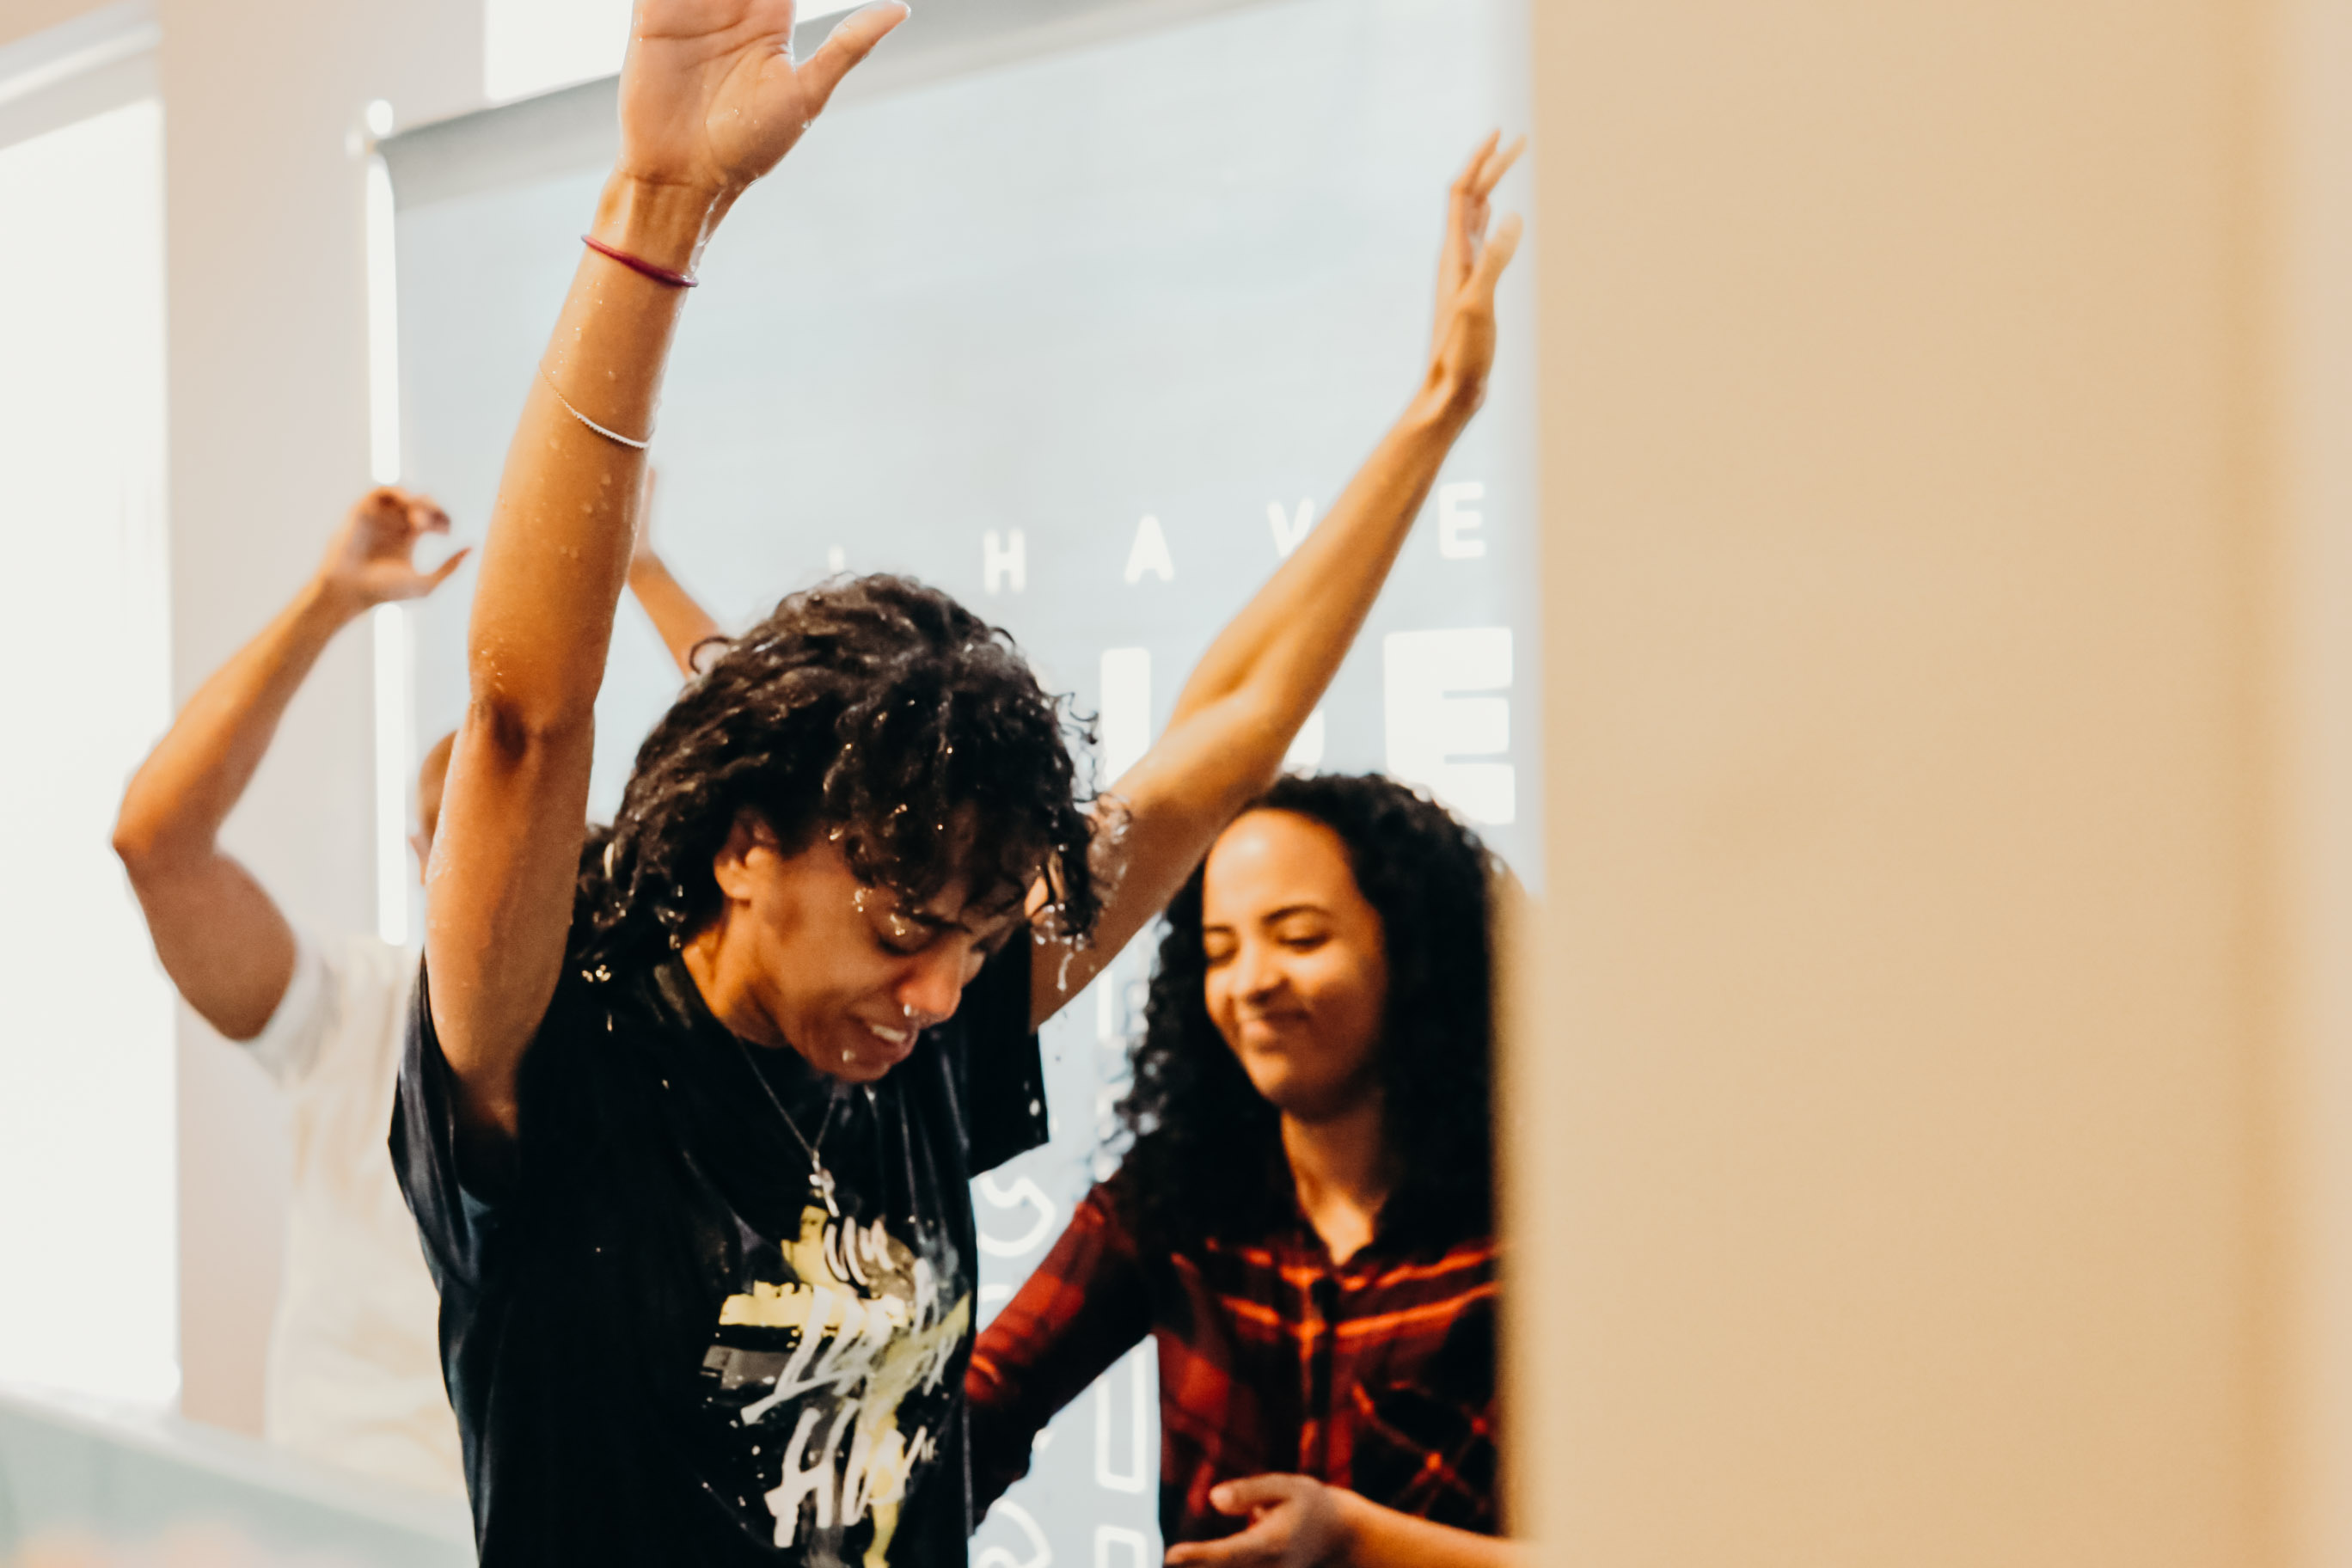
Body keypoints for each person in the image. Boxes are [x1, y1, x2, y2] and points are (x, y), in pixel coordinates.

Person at [391, 0, 1520, 1557]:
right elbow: (526, 712)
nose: (936, 991)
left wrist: (1433, 415)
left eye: (979, 941)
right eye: (902, 926)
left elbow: (1230, 723)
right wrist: (656, 207)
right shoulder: (556, 1052)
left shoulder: (919, 1033)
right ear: (744, 843)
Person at [112, 484, 717, 1495]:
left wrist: (641, 569)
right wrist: (328, 601)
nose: (504, 869)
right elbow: (158, 846)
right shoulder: (346, 1011)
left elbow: (790, 807)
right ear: (421, 855)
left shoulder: (650, 1026)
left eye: (538, 835)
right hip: (355, 1521)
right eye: (471, 839)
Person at [968, 775, 1514, 1568]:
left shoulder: (1538, 1228)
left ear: (1419, 953)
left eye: (1299, 938)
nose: (1253, 983)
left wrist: (1364, 1543)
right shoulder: (1174, 1197)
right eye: (1221, 951)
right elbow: (986, 1403)